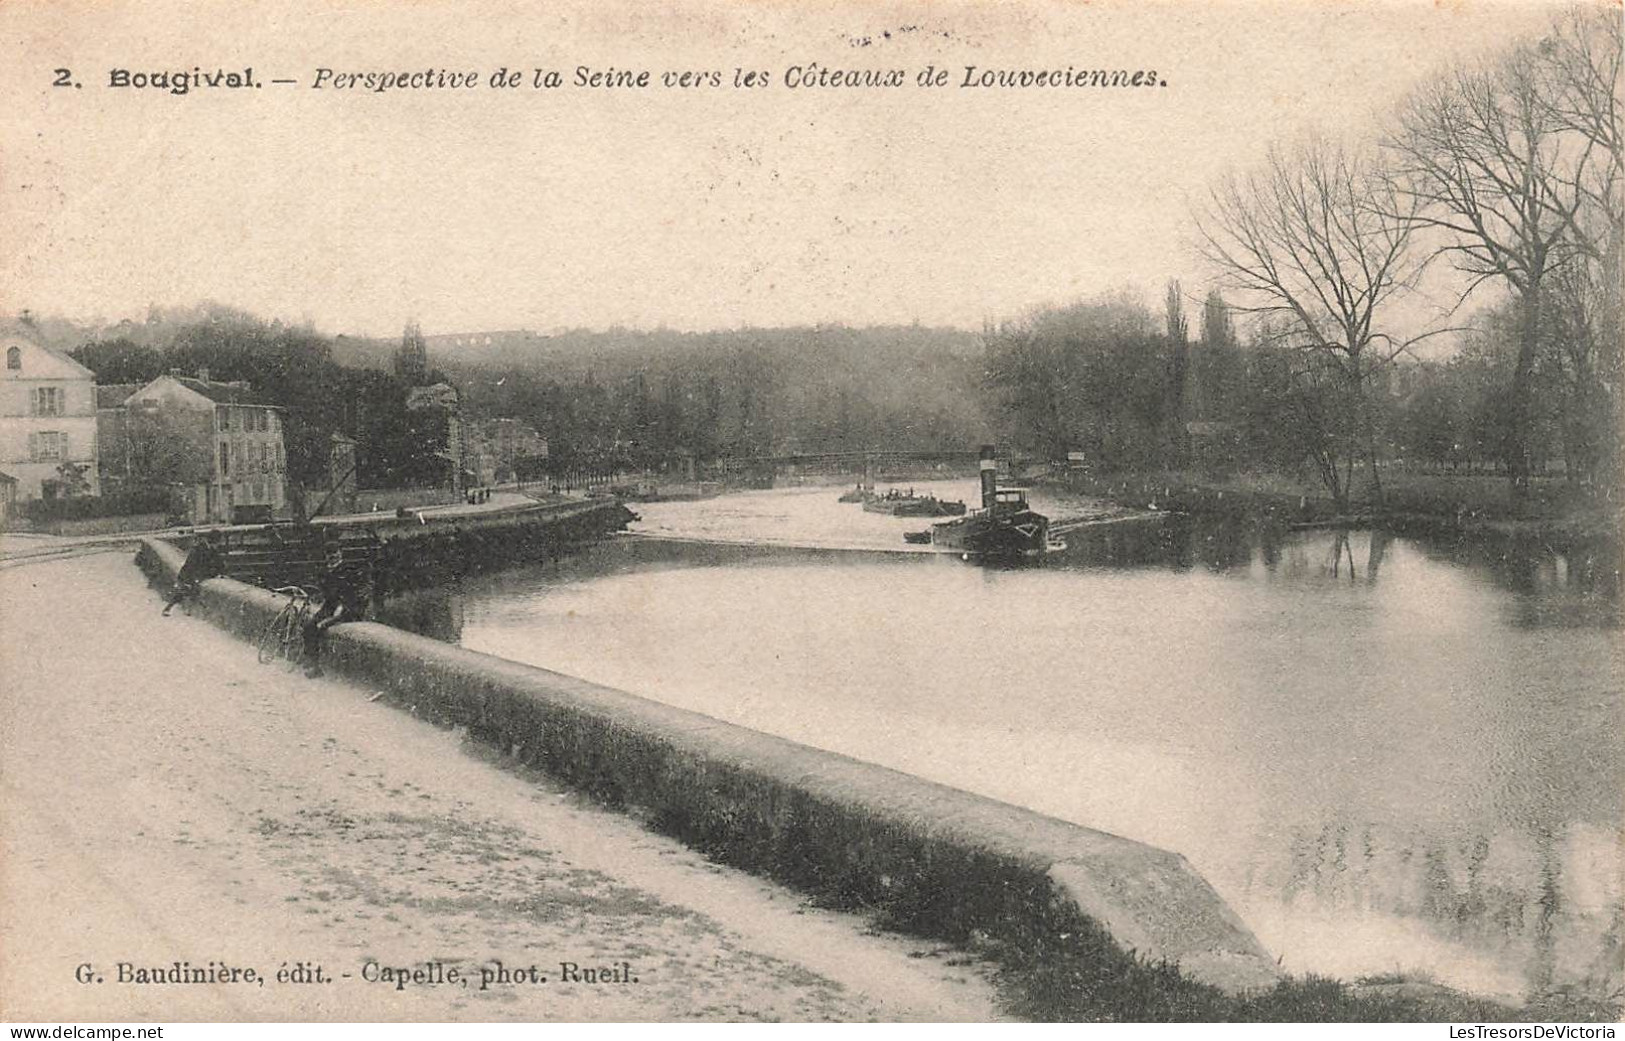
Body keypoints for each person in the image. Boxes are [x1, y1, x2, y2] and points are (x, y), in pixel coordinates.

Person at [302, 546, 372, 678]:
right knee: (308, 626)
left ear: (340, 553)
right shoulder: (326, 571)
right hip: (330, 607)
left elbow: (353, 593)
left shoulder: (348, 571)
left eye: (334, 553)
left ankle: (316, 666)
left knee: (321, 626)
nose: (332, 556)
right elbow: (326, 594)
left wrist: (341, 607)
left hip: (346, 608)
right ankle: (313, 663)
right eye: (329, 554)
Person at [162, 533, 223, 616]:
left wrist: (217, 572)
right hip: (189, 573)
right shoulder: (199, 549)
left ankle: (187, 609)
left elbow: (218, 563)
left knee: (190, 590)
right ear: (215, 541)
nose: (219, 544)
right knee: (185, 590)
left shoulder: (210, 549)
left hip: (197, 573)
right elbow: (192, 564)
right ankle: (169, 608)